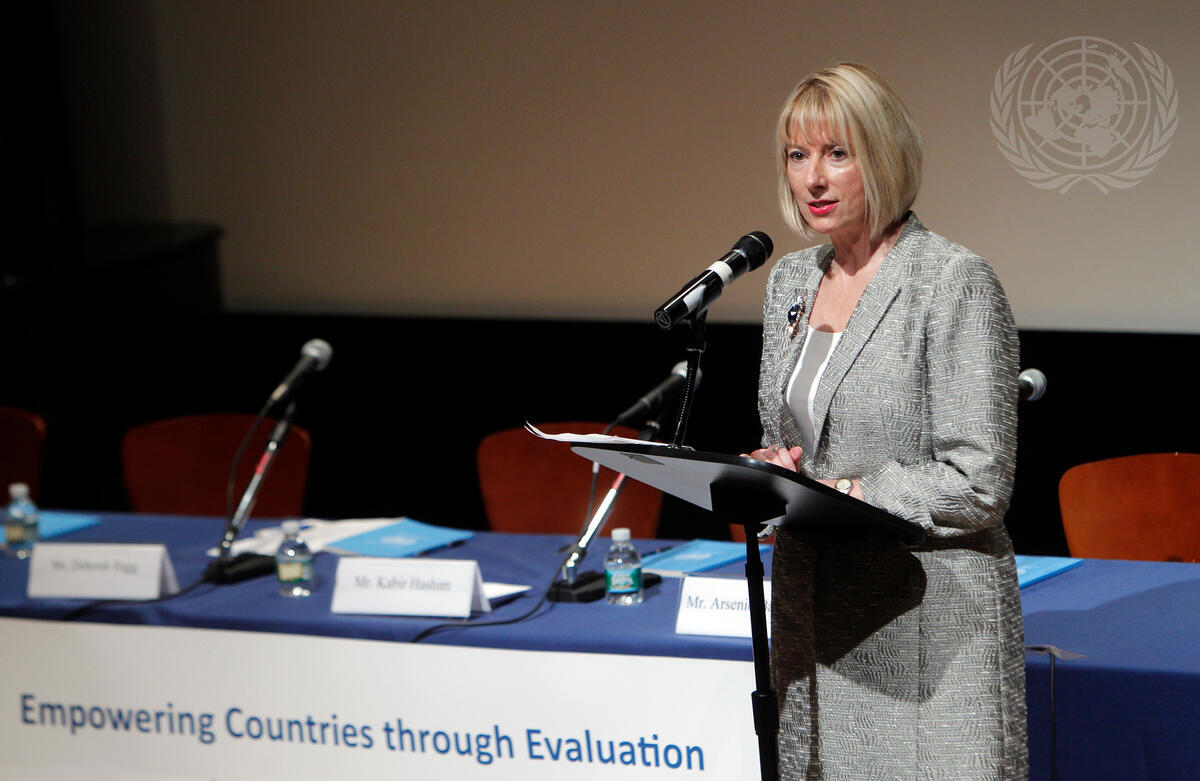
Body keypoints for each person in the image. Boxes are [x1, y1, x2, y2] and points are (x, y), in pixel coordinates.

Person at [745, 63, 1027, 779]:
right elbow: (799, 440)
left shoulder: (951, 280)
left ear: (884, 156)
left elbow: (979, 481)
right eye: (797, 154)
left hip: (925, 629)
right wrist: (776, 471)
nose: (813, 178)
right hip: (812, 616)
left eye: (837, 153)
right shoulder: (790, 281)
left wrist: (853, 495)